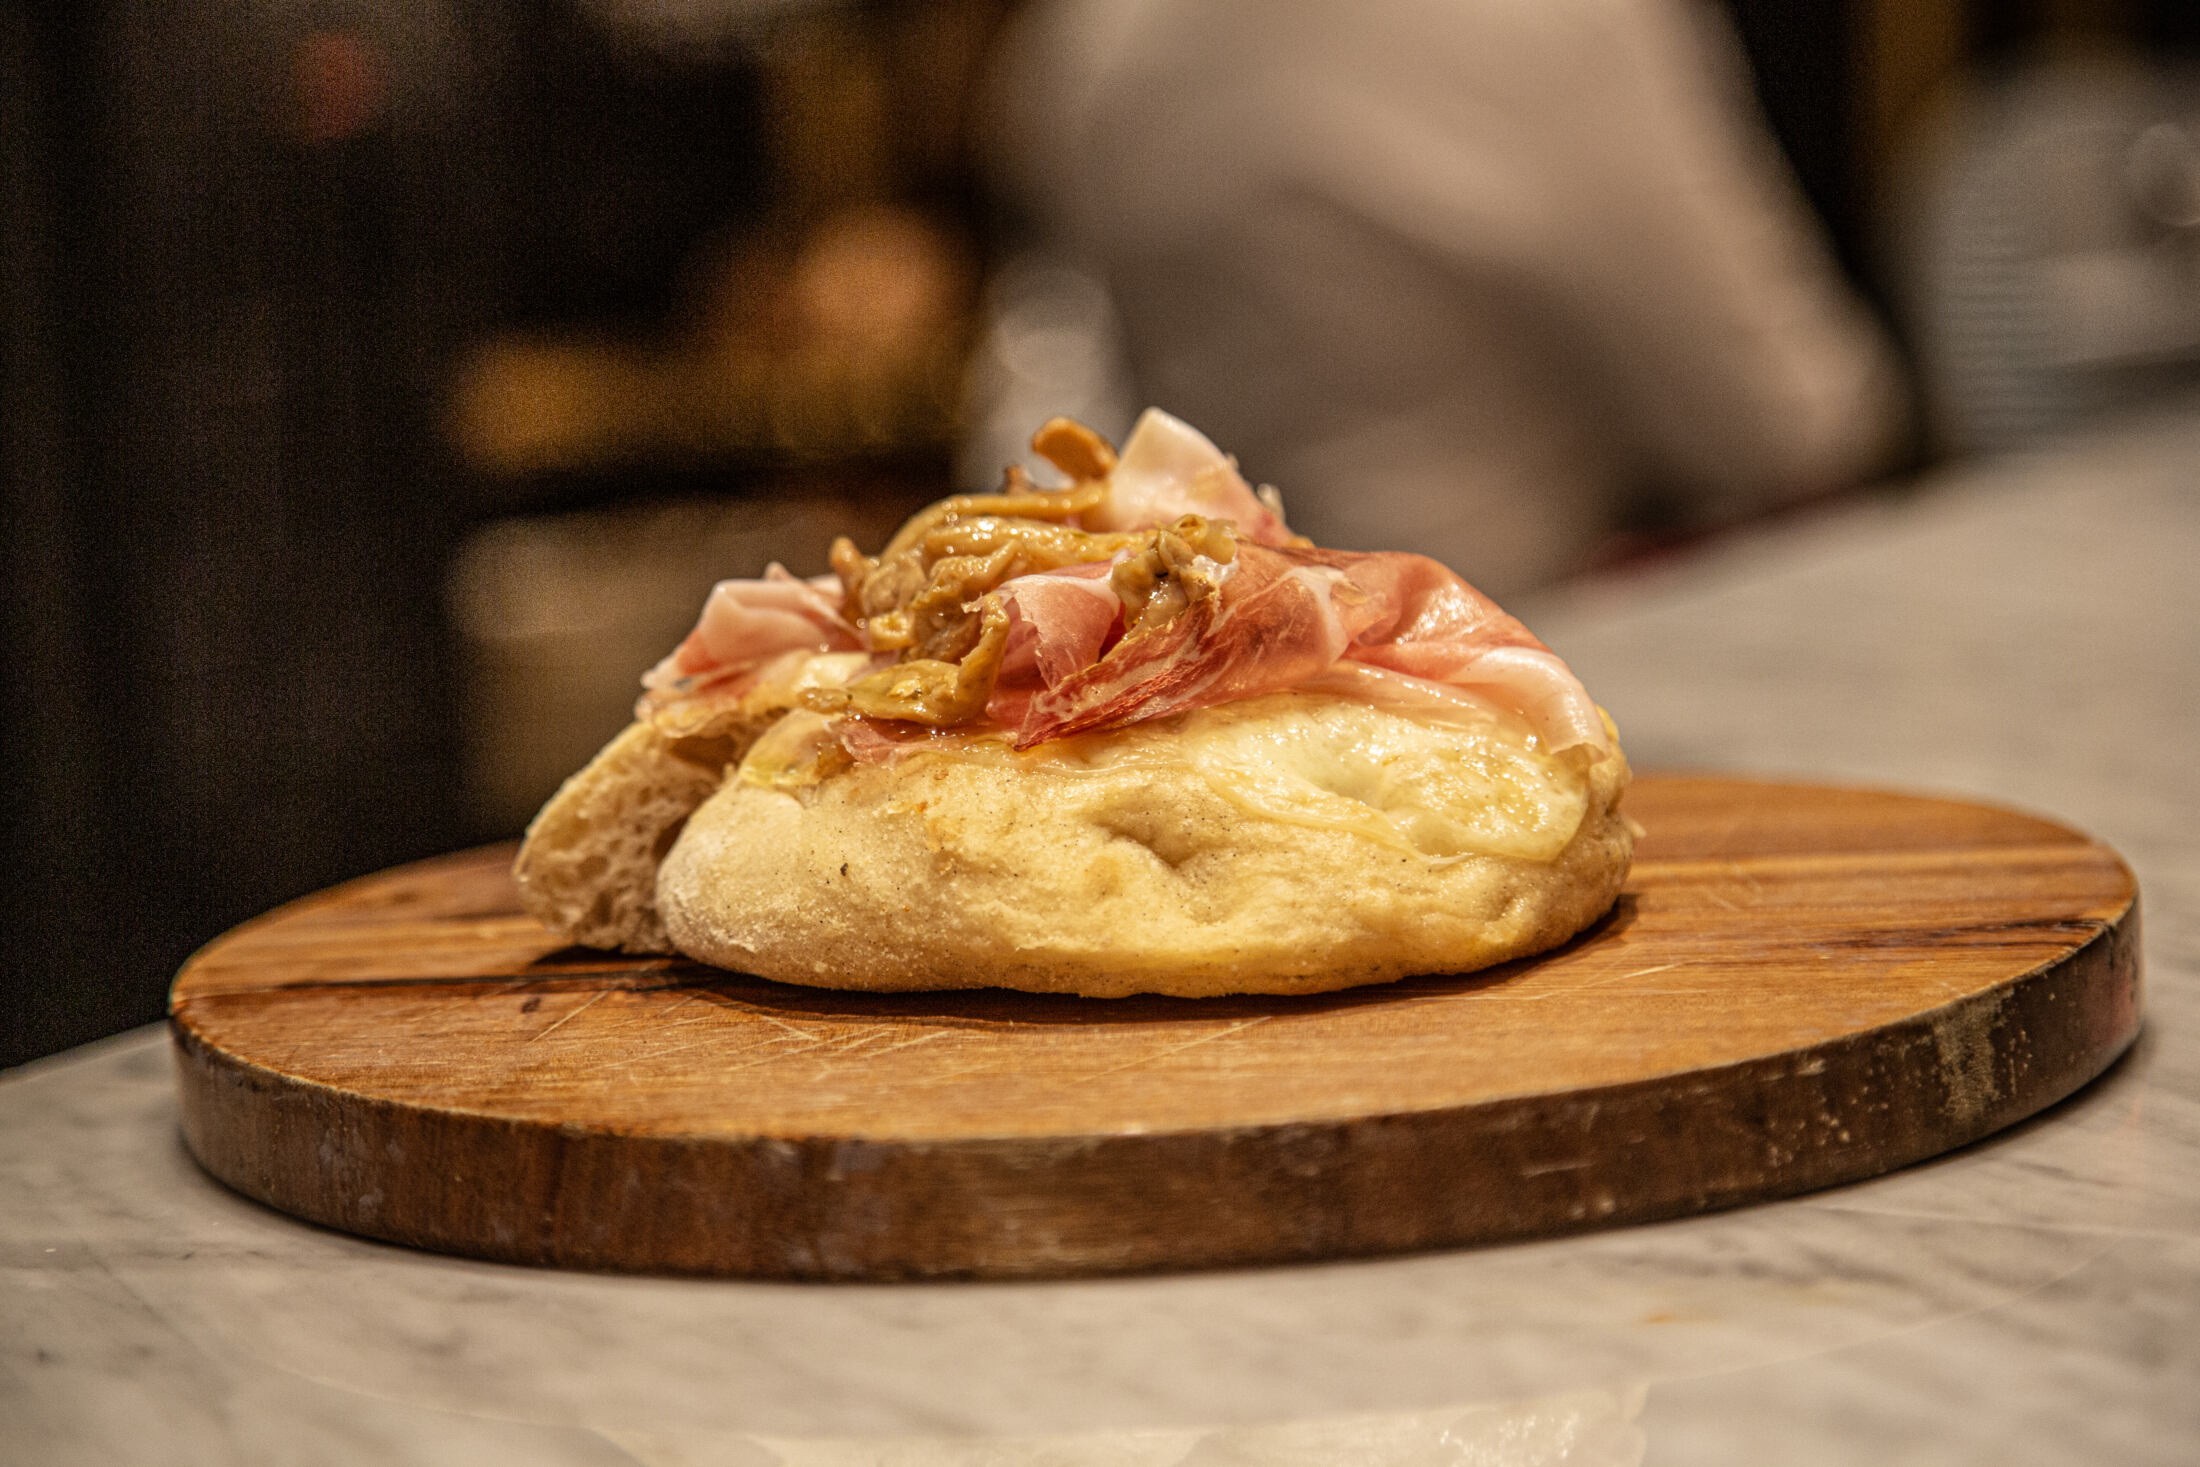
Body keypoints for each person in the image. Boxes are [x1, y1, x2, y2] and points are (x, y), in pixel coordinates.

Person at [978, 0, 1907, 595]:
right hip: (1537, 645)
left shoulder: (1078, 42)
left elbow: (1073, 389)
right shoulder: (1557, 23)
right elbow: (1795, 424)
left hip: (1219, 642)